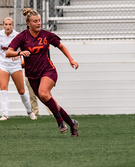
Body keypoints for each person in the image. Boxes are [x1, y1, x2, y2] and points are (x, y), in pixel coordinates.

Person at [6, 8, 79, 137]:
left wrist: (71, 59)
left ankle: (60, 122)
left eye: (39, 20)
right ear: (28, 23)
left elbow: (61, 46)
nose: (38, 23)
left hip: (48, 70)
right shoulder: (22, 36)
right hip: (32, 75)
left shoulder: (46, 35)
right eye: (35, 21)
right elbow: (8, 52)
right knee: (49, 101)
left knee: (43, 93)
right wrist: (19, 52)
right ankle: (72, 124)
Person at [0, 17, 37, 120]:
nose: (8, 26)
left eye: (10, 24)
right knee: (3, 89)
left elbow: (24, 49)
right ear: (3, 25)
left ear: (13, 25)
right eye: (6, 24)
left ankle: (30, 112)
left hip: (15, 66)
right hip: (3, 65)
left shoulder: (17, 36)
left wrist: (18, 55)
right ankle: (5, 114)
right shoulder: (0, 35)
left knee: (21, 90)